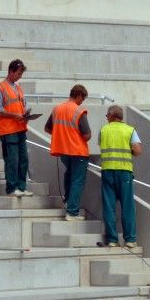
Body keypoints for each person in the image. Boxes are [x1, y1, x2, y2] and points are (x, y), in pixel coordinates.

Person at [45, 84, 91, 221]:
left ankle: (67, 202)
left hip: (63, 150)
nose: (82, 102)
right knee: (77, 181)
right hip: (77, 150)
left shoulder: (57, 109)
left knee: (69, 175)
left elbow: (47, 128)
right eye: (82, 99)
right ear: (78, 96)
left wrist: (62, 135)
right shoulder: (79, 111)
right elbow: (87, 135)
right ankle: (72, 212)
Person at [99, 105, 143, 248]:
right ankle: (130, 239)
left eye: (107, 116)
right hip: (124, 172)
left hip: (107, 172)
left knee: (109, 207)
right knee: (127, 207)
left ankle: (112, 240)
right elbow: (137, 151)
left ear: (112, 115)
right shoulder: (130, 130)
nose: (106, 118)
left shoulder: (103, 130)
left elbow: (101, 145)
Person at [0, 59, 33, 197]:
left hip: (20, 128)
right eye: (18, 73)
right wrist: (15, 116)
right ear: (11, 71)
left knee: (24, 160)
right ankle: (12, 187)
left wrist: (26, 114)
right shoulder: (0, 88)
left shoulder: (19, 88)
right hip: (8, 130)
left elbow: (23, 105)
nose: (19, 76)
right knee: (12, 160)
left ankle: (21, 187)